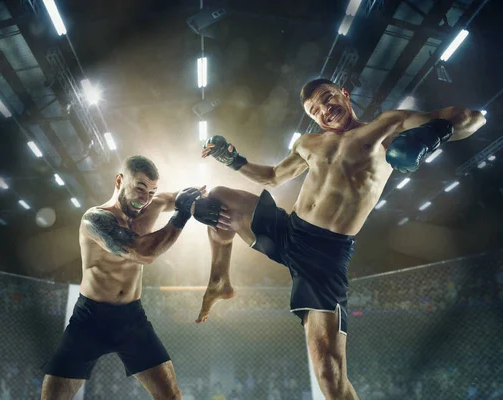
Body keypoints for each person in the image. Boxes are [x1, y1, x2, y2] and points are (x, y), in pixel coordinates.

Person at [195, 78, 487, 399]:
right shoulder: (308, 143)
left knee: (329, 377)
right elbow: (273, 177)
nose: (324, 110)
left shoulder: (386, 126)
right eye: (315, 110)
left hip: (324, 256)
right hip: (288, 230)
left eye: (327, 99)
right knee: (217, 197)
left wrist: (435, 132)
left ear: (344, 94)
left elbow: (472, 118)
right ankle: (220, 280)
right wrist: (231, 159)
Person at [40, 155, 229, 400]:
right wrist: (182, 215)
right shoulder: (95, 219)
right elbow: (143, 252)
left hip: (131, 318)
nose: (145, 198)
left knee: (171, 396)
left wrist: (213, 202)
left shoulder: (153, 203)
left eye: (151, 191)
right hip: (90, 319)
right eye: (139, 188)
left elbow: (182, 197)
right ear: (119, 180)